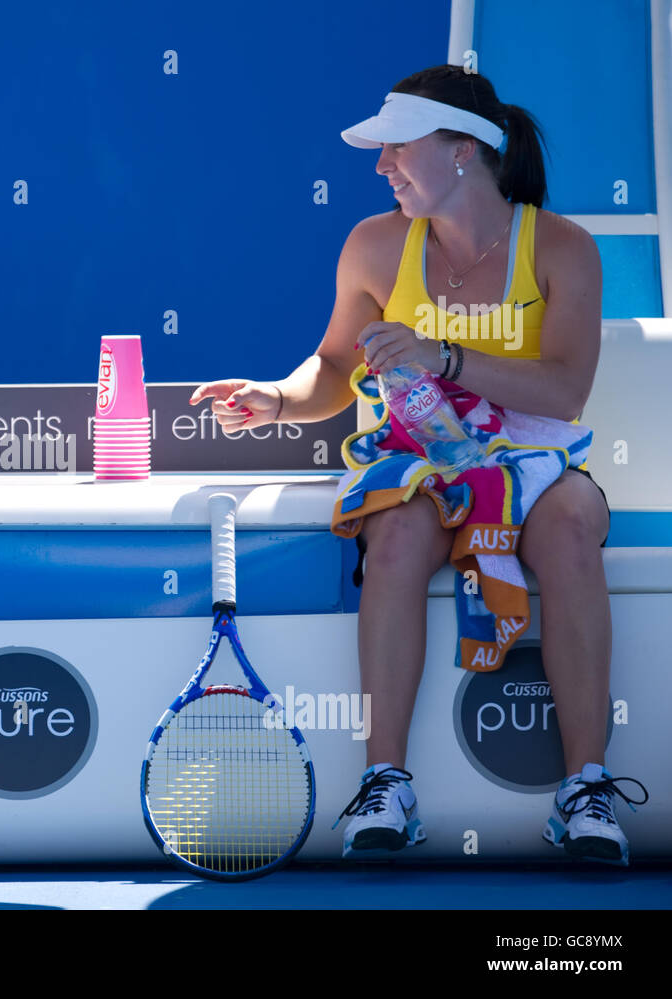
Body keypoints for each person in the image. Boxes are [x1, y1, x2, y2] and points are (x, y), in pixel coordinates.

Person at [190, 65, 644, 864]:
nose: (380, 166)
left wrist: (442, 356)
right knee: (393, 532)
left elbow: (566, 390)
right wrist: (278, 398)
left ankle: (587, 787)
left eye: (397, 147)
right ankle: (385, 782)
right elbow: (332, 370)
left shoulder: (564, 248)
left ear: (464, 152)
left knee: (571, 521)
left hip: (535, 463)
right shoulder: (372, 245)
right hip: (420, 464)